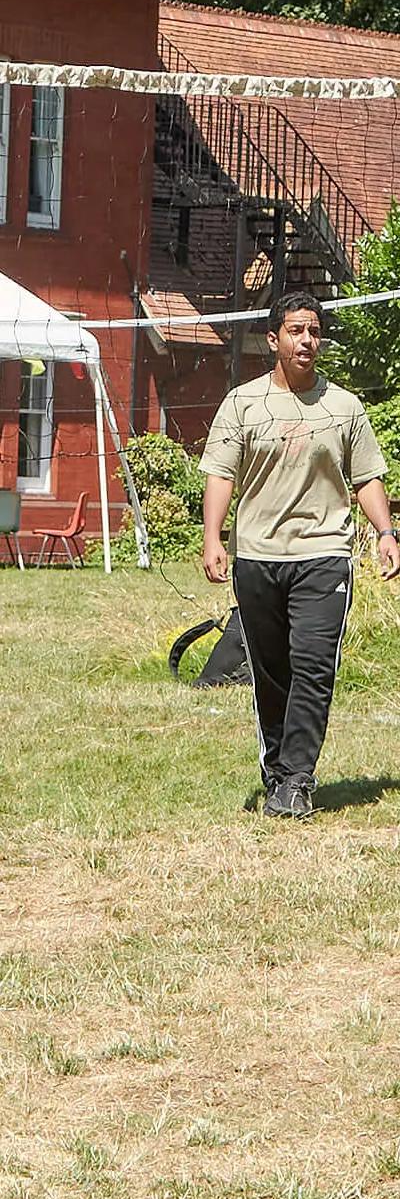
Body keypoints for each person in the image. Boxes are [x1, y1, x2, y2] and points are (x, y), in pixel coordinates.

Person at [201, 285, 400, 822]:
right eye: (296, 330)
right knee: (271, 671)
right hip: (259, 556)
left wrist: (385, 532)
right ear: (273, 340)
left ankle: (296, 780)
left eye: (314, 330)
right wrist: (213, 537)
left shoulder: (344, 407)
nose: (307, 339)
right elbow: (220, 473)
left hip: (325, 554)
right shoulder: (243, 402)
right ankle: (277, 768)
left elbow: (367, 477)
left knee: (313, 667)